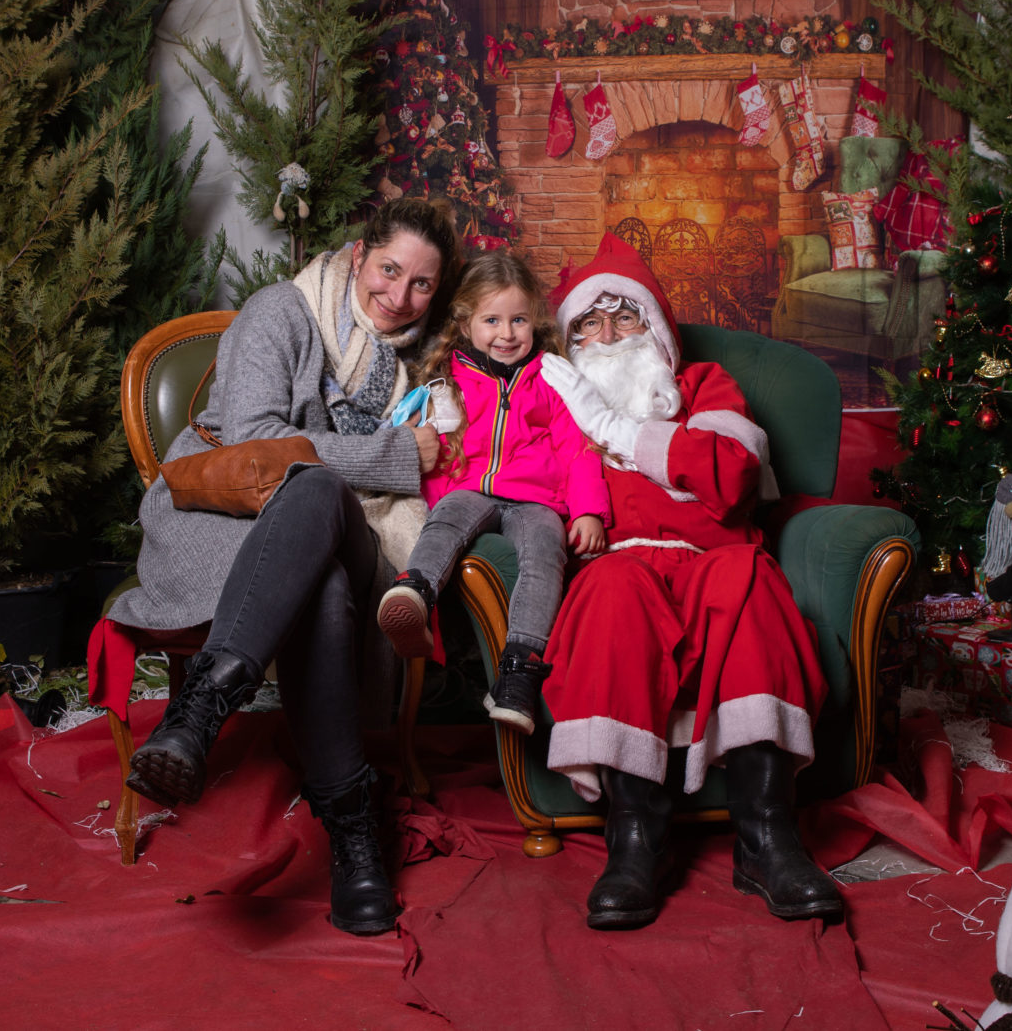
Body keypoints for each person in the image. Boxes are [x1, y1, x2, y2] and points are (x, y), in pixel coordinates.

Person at [105, 199, 461, 936]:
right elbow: (257, 440)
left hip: (349, 526)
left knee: (320, 492)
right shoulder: (281, 311)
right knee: (322, 575)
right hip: (225, 521)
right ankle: (354, 836)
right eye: (388, 269)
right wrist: (397, 454)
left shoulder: (427, 362)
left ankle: (200, 708)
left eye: (421, 284)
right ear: (358, 255)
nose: (399, 296)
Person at [535, 233, 843, 930]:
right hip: (620, 566)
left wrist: (616, 430)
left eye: (624, 318)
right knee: (612, 588)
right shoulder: (558, 406)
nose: (607, 338)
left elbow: (730, 479)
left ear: (655, 328)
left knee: (748, 578)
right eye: (589, 325)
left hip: (714, 559)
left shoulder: (703, 386)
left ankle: (767, 837)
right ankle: (635, 841)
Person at [375, 250, 610, 733]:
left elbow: (578, 447)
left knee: (545, 552)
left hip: (537, 502)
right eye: (492, 320)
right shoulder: (449, 378)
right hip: (470, 491)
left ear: (534, 321)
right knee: (446, 519)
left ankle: (519, 673)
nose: (507, 333)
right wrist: (437, 498)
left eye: (518, 320)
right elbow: (436, 450)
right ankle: (415, 593)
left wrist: (588, 511)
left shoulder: (551, 377)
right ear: (466, 324)